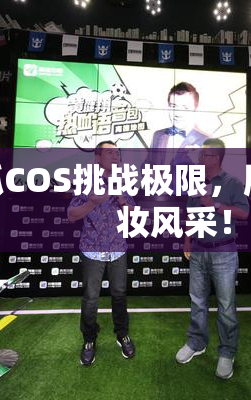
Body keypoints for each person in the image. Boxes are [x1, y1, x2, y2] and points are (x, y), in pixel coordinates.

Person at [176, 138, 250, 379]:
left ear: (216, 158)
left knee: (226, 306)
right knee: (197, 301)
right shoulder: (196, 183)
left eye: (204, 155)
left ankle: (227, 351)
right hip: (198, 250)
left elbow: (243, 212)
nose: (199, 158)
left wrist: (215, 205)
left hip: (223, 252)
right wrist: (187, 241)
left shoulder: (232, 182)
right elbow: (190, 214)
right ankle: (197, 342)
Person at [67, 140, 136, 366]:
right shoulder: (86, 182)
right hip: (92, 250)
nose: (116, 156)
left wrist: (122, 199)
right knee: (90, 299)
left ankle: (122, 335)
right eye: (110, 153)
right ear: (97, 158)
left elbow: (133, 215)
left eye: (117, 153)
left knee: (119, 294)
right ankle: (89, 339)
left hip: (118, 249)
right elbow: (72, 215)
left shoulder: (123, 181)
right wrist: (92, 202)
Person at [146, 82, 209, 166]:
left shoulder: (207, 142)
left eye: (185, 108)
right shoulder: (158, 135)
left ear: (195, 109)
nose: (178, 113)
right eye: (173, 106)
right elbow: (147, 166)